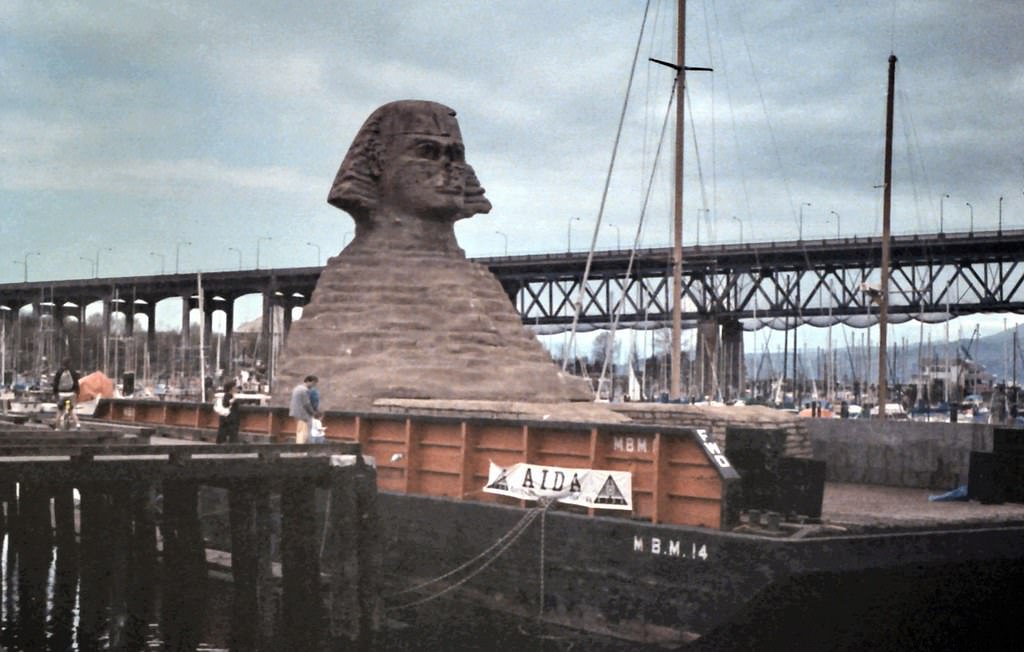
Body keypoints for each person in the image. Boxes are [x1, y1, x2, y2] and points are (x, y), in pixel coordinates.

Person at [52, 357, 81, 429]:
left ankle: (57, 427)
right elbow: (76, 383)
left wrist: (55, 393)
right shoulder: (72, 371)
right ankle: (77, 424)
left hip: (61, 395)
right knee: (70, 410)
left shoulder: (59, 372)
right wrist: (77, 392)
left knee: (59, 411)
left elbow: (55, 383)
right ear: (69, 363)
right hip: (70, 394)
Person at [289, 375, 318, 444]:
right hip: (303, 415)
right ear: (308, 381)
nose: (314, 385)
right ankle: (303, 448)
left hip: (295, 413)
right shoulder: (305, 390)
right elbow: (306, 404)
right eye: (313, 383)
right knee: (305, 433)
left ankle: (299, 447)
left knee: (299, 432)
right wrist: (313, 413)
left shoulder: (296, 388)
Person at [216, 380, 241, 444]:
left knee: (224, 431)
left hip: (227, 417)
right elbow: (226, 403)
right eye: (235, 387)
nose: (236, 388)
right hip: (229, 418)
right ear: (232, 388)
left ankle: (224, 443)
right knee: (229, 431)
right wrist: (233, 401)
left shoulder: (228, 395)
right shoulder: (228, 395)